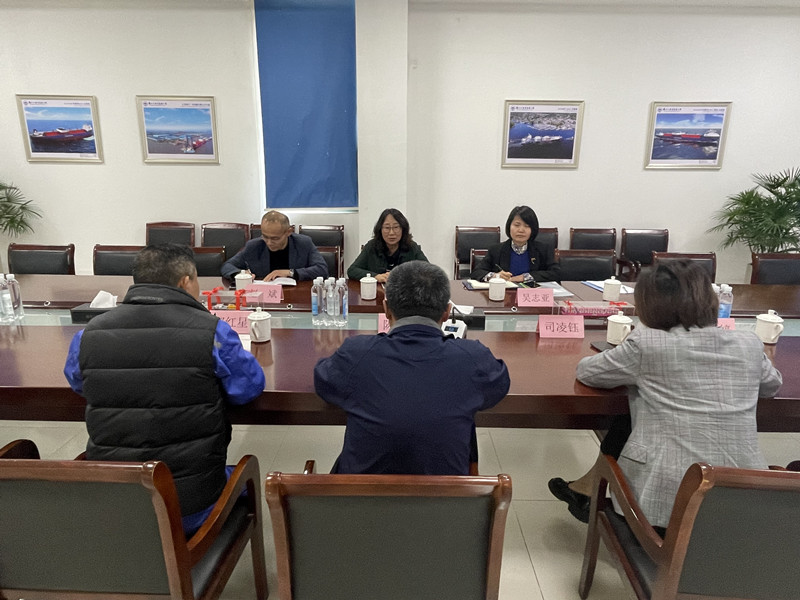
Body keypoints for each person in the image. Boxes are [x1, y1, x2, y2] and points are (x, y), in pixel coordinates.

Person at [548, 260, 782, 530]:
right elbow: (771, 385)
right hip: (745, 504)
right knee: (633, 415)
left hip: (663, 512)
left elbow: (588, 372)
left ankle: (590, 494)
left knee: (635, 413)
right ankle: (585, 489)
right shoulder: (748, 342)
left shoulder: (647, 343)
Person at [64, 244, 265, 535]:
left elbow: (79, 383)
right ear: (185, 281)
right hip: (193, 506)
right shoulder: (212, 332)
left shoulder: (88, 335)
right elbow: (248, 388)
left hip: (117, 501)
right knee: (242, 475)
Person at [315, 260, 510, 475]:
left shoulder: (356, 353)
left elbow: (323, 380)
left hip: (362, 495)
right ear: (447, 312)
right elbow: (499, 384)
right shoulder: (473, 358)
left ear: (386, 309)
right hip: (447, 495)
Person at [221, 210, 328, 282]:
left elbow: (322, 269)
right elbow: (227, 266)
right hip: (264, 297)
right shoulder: (254, 246)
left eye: (275, 238)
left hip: (295, 295)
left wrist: (290, 273)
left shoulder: (303, 243)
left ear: (288, 232)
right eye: (265, 236)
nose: (269, 242)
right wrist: (240, 274)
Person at [470, 205, 560, 283]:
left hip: (531, 295)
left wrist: (525, 277)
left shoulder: (543, 249)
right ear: (509, 226)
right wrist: (496, 276)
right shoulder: (496, 250)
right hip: (505, 294)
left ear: (533, 230)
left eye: (527, 226)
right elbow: (476, 272)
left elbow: (556, 273)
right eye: (517, 225)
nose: (521, 230)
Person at [347, 208, 428, 282]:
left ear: (403, 229)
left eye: (396, 227)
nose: (391, 233)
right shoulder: (372, 246)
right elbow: (352, 270)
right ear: (380, 229)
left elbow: (428, 271)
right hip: (377, 291)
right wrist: (375, 276)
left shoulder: (411, 246)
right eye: (387, 228)